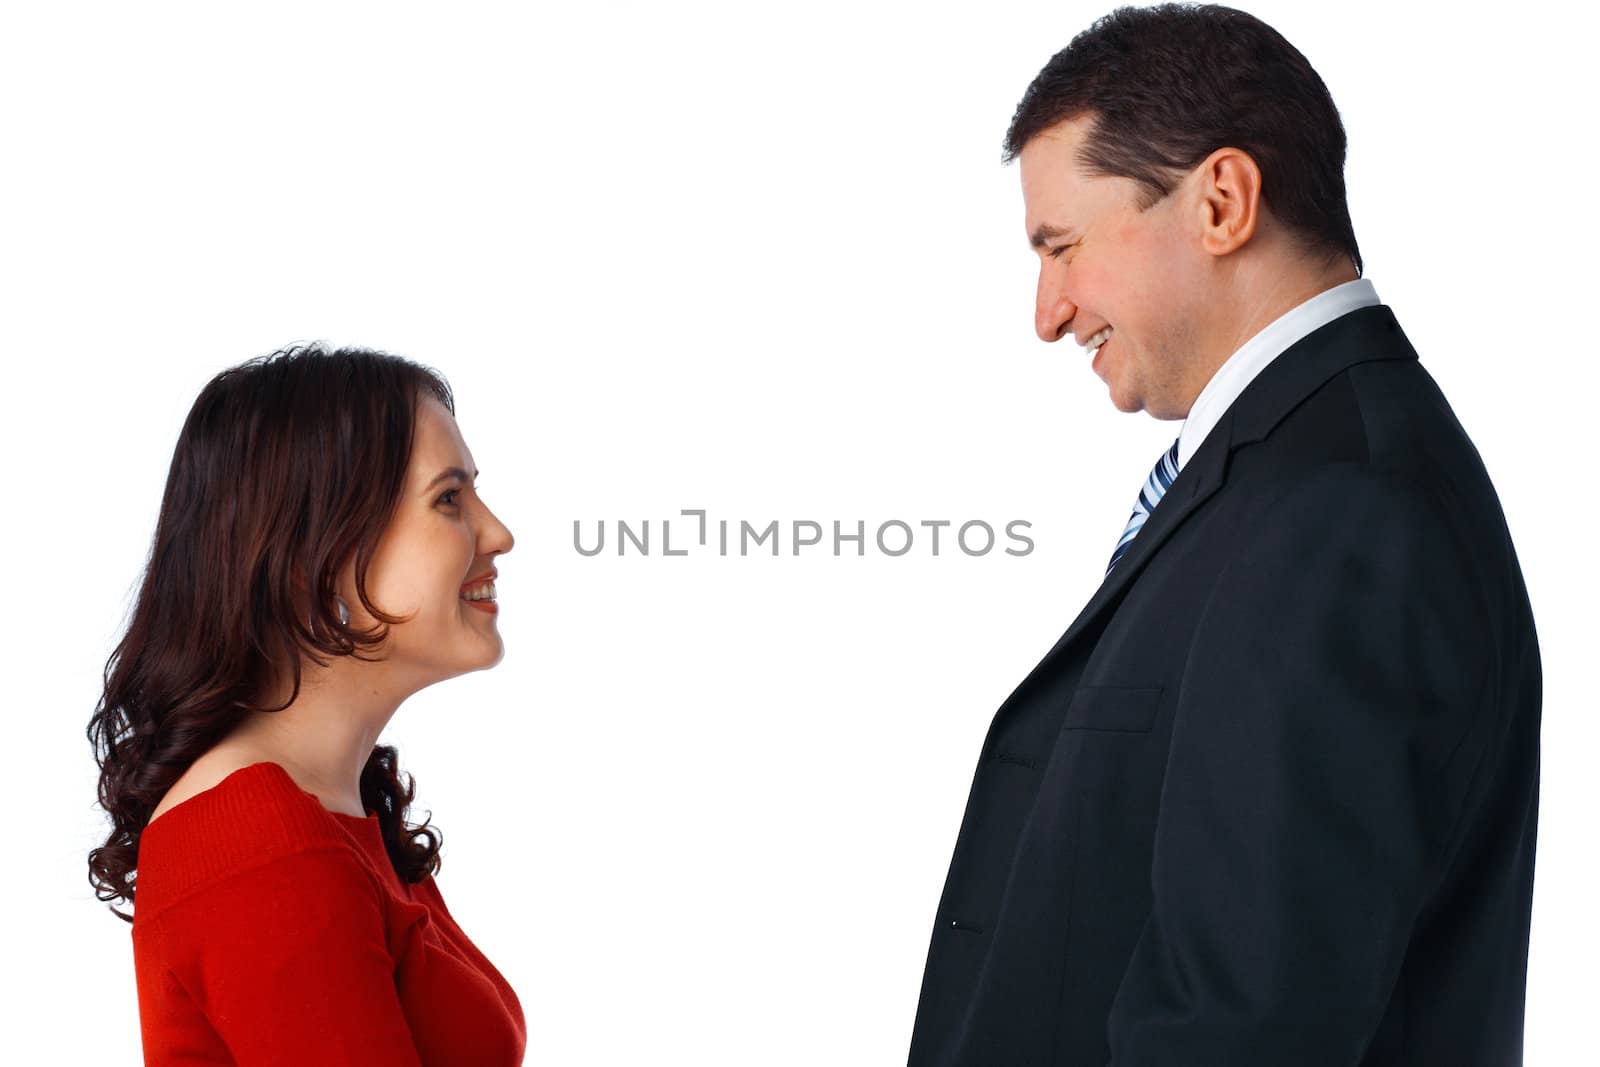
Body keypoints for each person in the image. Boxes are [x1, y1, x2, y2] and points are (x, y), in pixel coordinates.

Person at [908, 5, 1541, 1065]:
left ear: (1221, 201)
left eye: (1061, 246)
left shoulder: (1341, 515)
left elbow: (1247, 1026)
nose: (1047, 311)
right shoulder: (1295, 478)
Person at [86, 344, 525, 1065]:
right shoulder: (264, 845)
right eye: (449, 499)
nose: (497, 532)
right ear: (311, 557)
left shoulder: (336, 811)